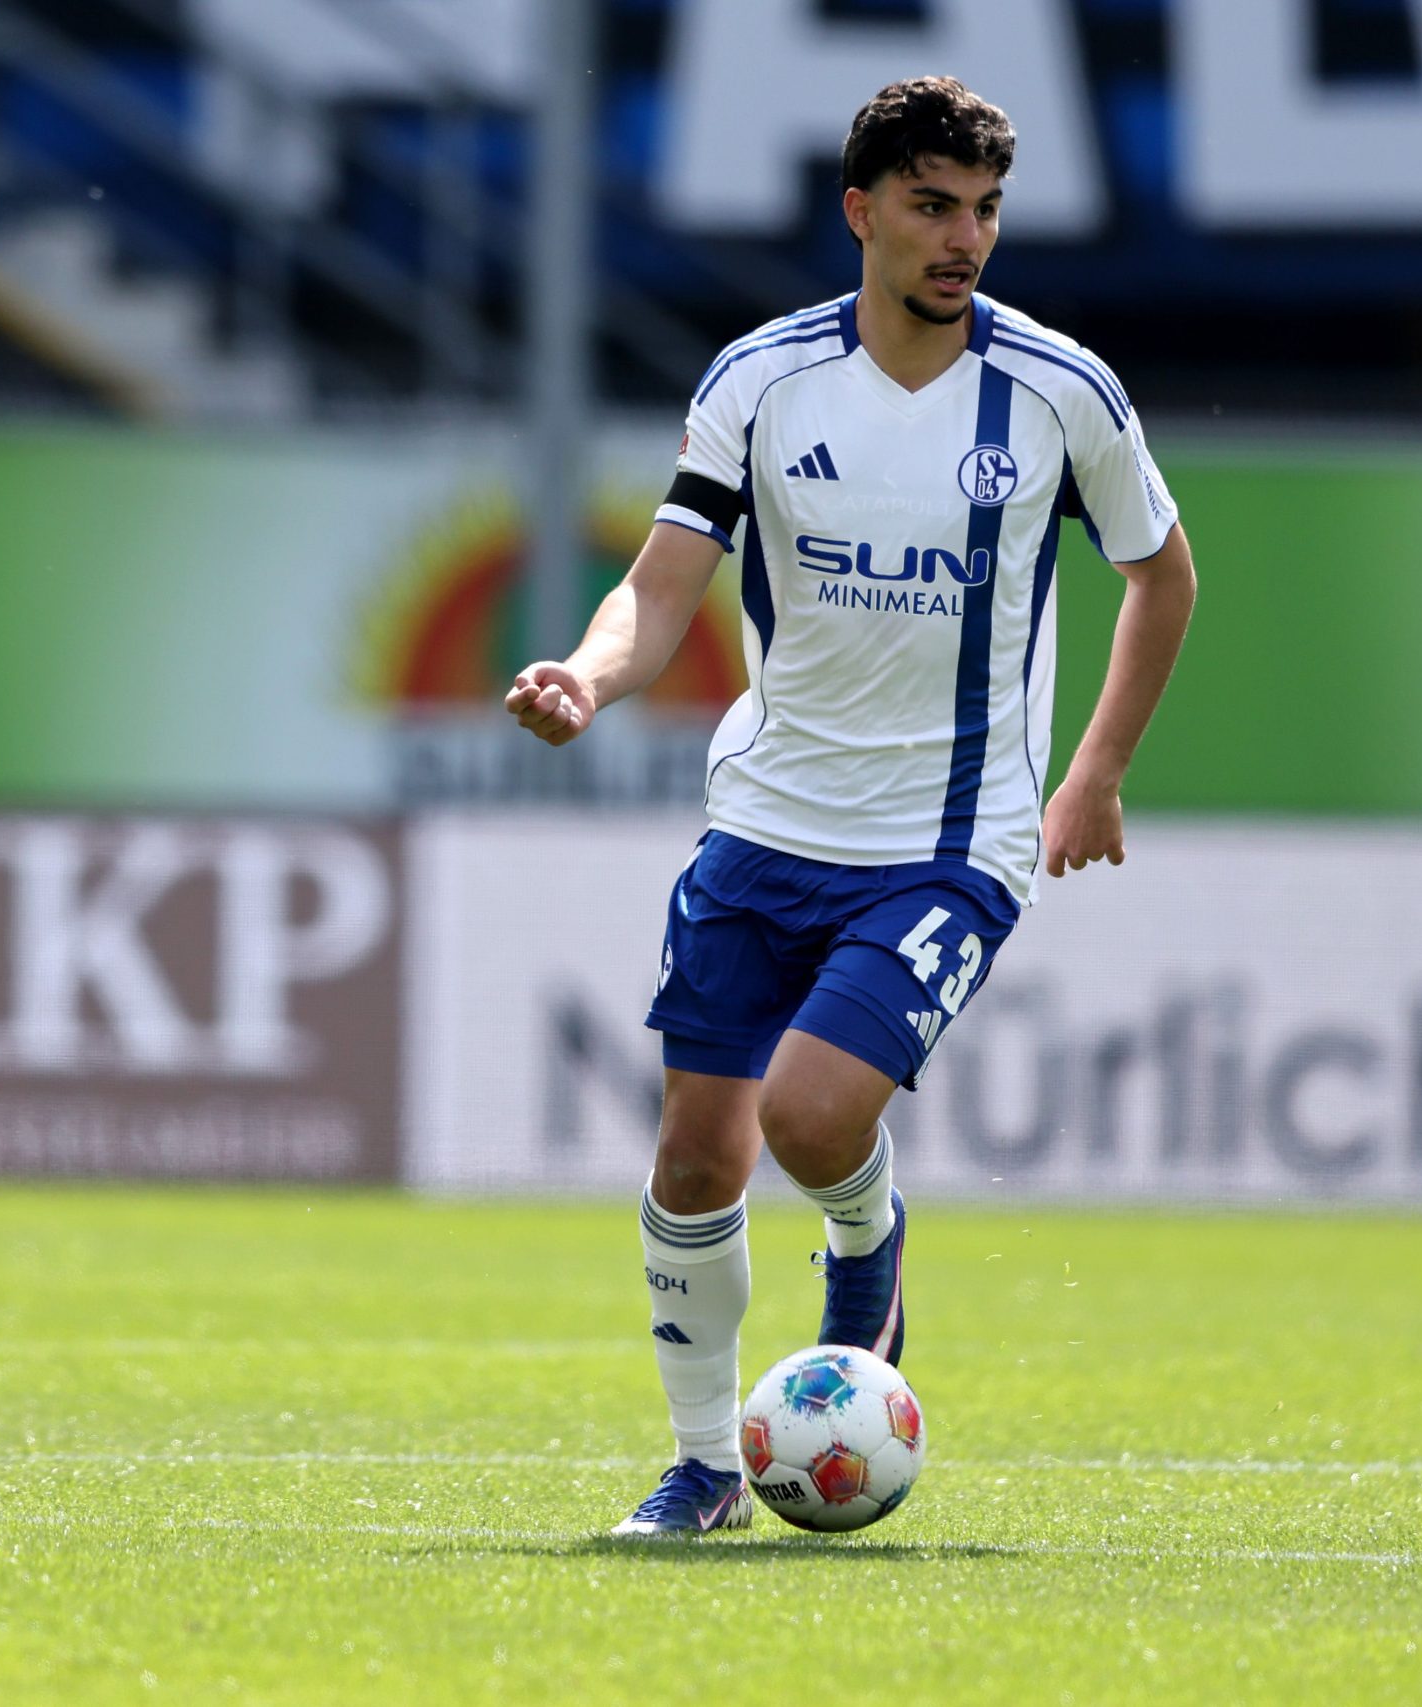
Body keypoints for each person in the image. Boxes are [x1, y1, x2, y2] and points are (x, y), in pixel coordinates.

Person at [504, 75, 1196, 1537]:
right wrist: (588, 676)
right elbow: (662, 587)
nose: (965, 239)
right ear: (861, 212)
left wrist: (1096, 770)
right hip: (765, 821)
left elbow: (1162, 575)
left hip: (950, 841)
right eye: (934, 207)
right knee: (697, 1156)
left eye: (986, 210)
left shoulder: (1060, 391)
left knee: (814, 1117)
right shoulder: (760, 383)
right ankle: (705, 1470)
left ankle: (867, 1247)